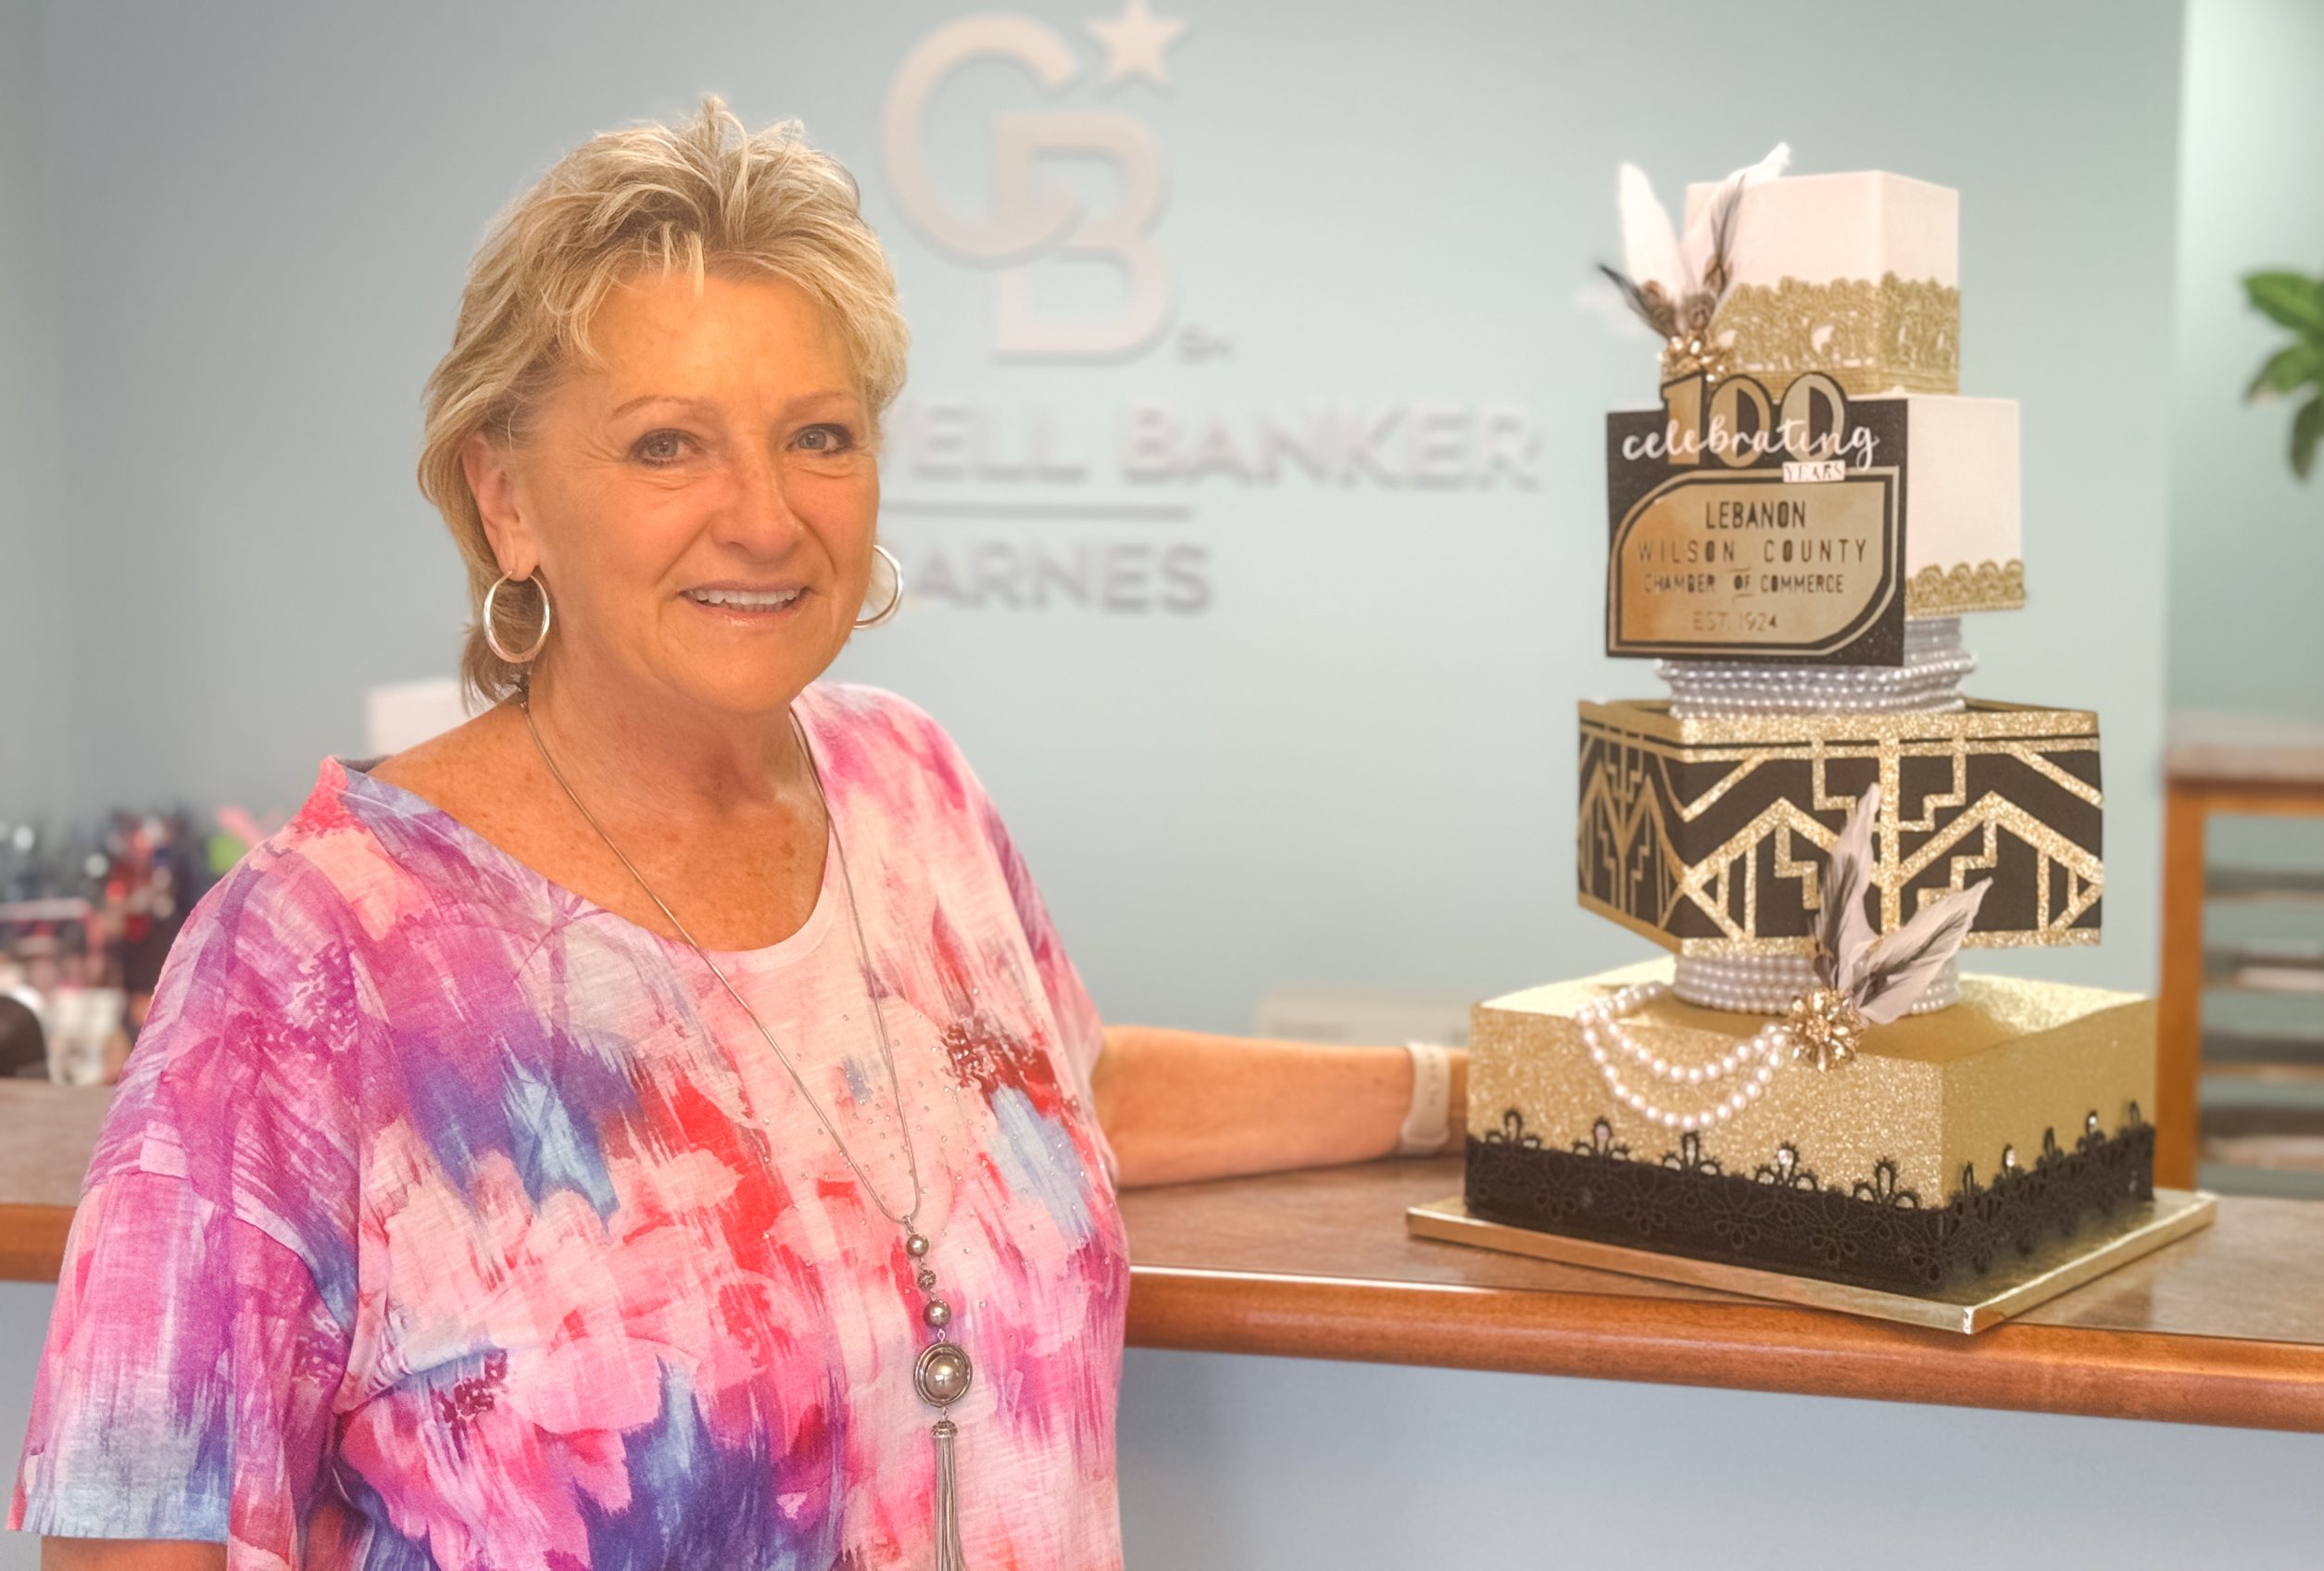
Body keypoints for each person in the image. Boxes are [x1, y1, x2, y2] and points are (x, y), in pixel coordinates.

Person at [12, 99, 1467, 1569]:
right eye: (667, 446)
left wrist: (1474, 1096)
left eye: (817, 437)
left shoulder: (909, 782)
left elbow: (1053, 1097)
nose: (766, 518)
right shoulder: (314, 957)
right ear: (506, 499)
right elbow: (133, 1538)